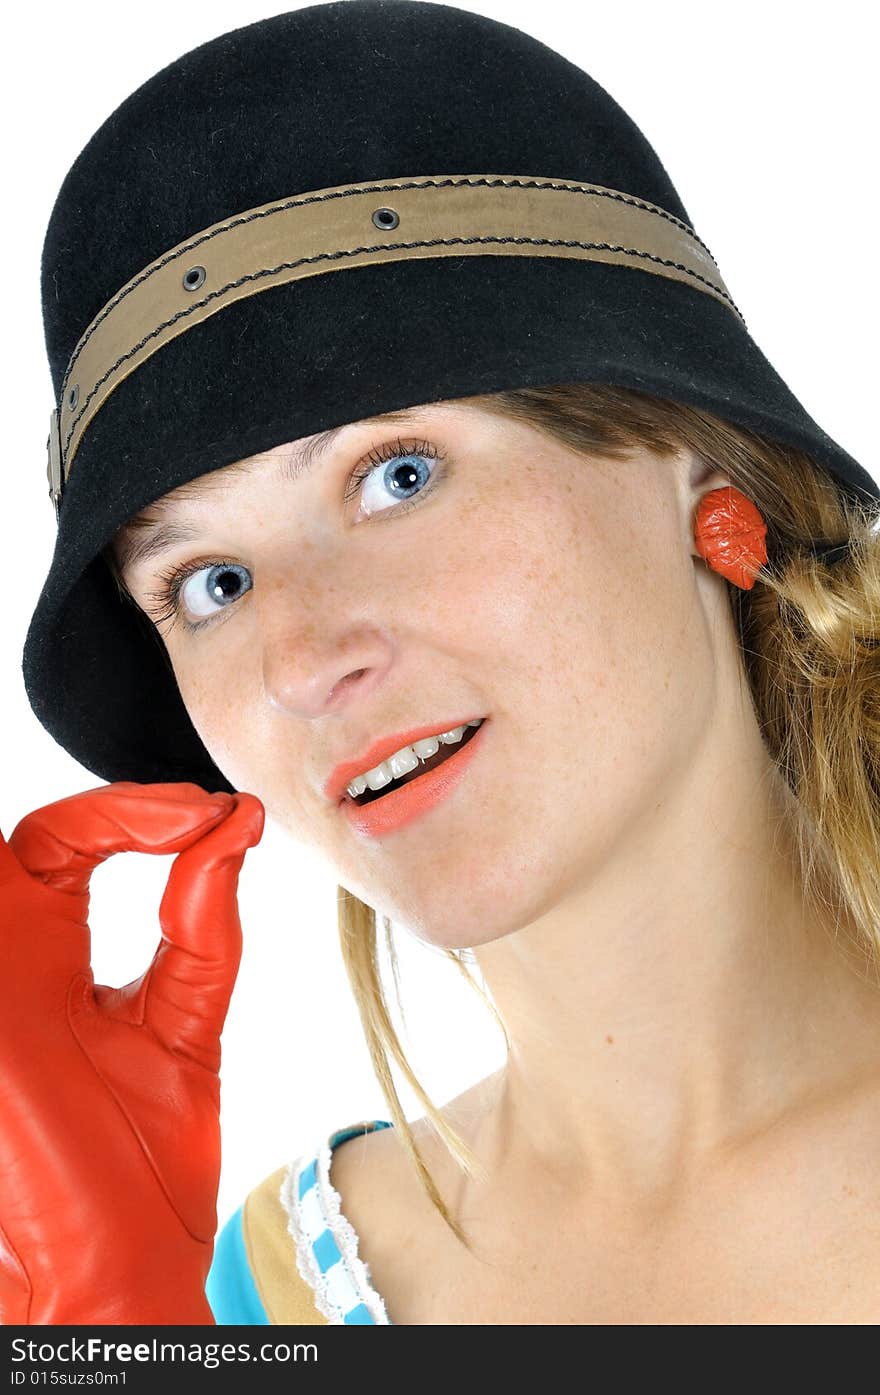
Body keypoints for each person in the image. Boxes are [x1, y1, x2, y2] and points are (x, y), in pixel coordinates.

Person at [4, 1, 879, 1326]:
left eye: (396, 477)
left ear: (698, 467)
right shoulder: (278, 1290)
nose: (300, 658)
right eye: (212, 583)